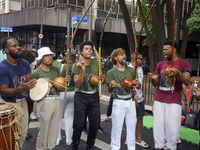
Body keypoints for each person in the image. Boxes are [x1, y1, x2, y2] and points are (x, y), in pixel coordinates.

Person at [148, 40, 191, 150]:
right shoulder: (160, 64)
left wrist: (178, 73)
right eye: (163, 50)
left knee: (172, 129)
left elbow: (186, 81)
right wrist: (153, 79)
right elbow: (155, 83)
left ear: (174, 50)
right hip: (159, 99)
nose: (164, 51)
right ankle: (159, 147)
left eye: (166, 49)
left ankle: (171, 147)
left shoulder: (183, 64)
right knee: (158, 128)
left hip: (174, 101)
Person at [0, 37, 37, 148]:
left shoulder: (25, 63)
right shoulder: (2, 67)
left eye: (18, 45)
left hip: (23, 102)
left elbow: (29, 79)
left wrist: (31, 83)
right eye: (14, 46)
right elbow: (4, 91)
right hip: (8, 105)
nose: (18, 48)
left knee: (22, 135)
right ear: (6, 50)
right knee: (10, 138)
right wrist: (21, 88)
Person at [31, 47, 71, 150]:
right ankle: (41, 148)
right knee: (44, 129)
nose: (50, 57)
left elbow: (60, 85)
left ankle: (50, 147)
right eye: (47, 55)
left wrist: (65, 81)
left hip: (56, 100)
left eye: (50, 55)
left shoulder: (56, 69)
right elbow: (32, 91)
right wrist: (42, 82)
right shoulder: (36, 72)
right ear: (41, 58)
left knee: (54, 129)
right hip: (44, 101)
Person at [71, 41, 105, 150]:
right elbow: (77, 83)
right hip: (81, 96)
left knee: (95, 124)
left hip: (94, 97)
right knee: (79, 125)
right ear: (81, 51)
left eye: (90, 49)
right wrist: (82, 71)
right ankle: (74, 145)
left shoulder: (96, 64)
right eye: (86, 49)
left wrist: (102, 78)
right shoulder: (76, 65)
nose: (89, 50)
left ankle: (90, 146)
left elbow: (101, 79)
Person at [106, 48, 141, 150]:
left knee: (131, 127)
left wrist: (138, 84)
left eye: (125, 54)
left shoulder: (132, 70)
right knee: (117, 127)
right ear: (115, 58)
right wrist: (111, 85)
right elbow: (109, 90)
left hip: (130, 101)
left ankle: (131, 147)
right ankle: (115, 147)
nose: (124, 56)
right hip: (118, 102)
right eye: (121, 55)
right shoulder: (111, 72)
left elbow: (138, 86)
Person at [56, 50, 76, 146]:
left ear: (67, 57)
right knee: (70, 117)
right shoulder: (76, 67)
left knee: (58, 117)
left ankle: (57, 138)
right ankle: (69, 139)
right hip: (73, 92)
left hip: (62, 92)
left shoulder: (60, 66)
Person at [129, 52, 149, 147]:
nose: (142, 60)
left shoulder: (140, 69)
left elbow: (140, 85)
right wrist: (133, 99)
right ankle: (129, 138)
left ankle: (138, 138)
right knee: (130, 119)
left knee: (140, 118)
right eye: (140, 59)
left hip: (140, 98)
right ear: (135, 59)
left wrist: (141, 96)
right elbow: (127, 86)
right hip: (130, 99)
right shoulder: (128, 69)